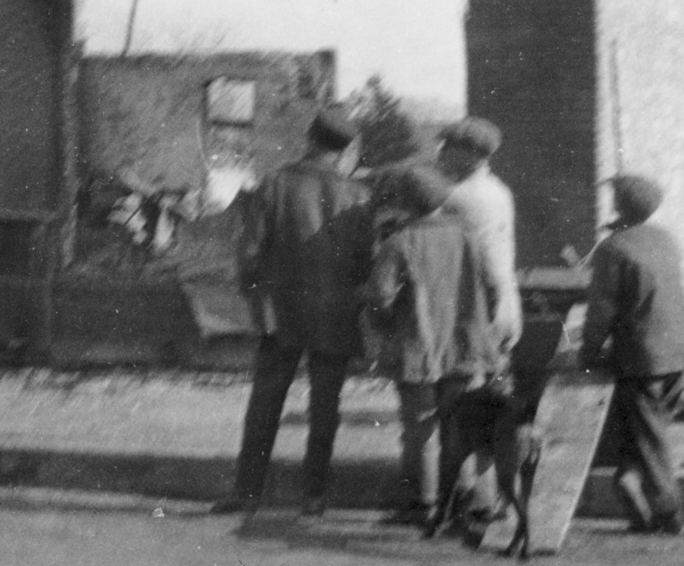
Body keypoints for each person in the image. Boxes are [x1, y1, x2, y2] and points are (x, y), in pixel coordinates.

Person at [210, 105, 374, 518]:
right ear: (345, 149)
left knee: (265, 401)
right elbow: (365, 263)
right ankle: (313, 496)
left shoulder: (275, 184)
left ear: (309, 138)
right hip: (335, 312)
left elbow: (249, 253)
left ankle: (247, 492)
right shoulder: (358, 195)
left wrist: (254, 294)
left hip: (280, 311)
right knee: (325, 405)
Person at [368, 162, 513, 527]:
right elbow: (494, 288)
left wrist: (388, 325)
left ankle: (425, 504)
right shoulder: (469, 237)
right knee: (462, 426)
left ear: (404, 202)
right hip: (466, 347)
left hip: (418, 349)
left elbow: (380, 297)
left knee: (421, 429)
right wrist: (479, 323)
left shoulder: (398, 242)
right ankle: (470, 501)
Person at [582, 173, 684, 535]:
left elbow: (601, 311)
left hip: (643, 356)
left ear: (620, 206)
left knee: (648, 437)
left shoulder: (613, 249)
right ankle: (629, 479)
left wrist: (589, 352)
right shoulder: (665, 239)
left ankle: (668, 511)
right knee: (648, 429)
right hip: (679, 350)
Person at [437, 117, 521, 354]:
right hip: (503, 305)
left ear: (470, 154)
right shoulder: (498, 189)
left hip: (475, 310)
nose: (441, 152)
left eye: (448, 146)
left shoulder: (456, 196)